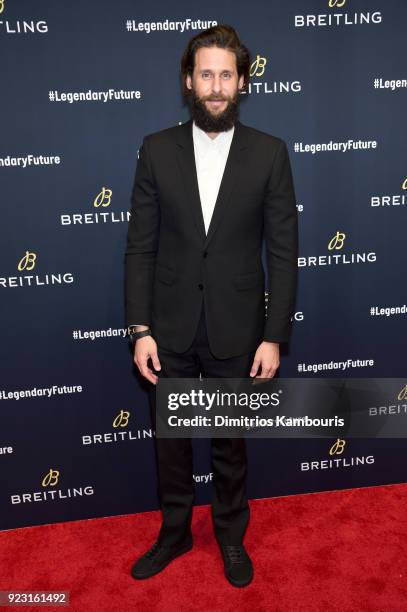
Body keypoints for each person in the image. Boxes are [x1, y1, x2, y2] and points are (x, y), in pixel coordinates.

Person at [125, 24, 298, 588]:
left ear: (242, 82)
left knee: (229, 444)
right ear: (188, 82)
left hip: (236, 328)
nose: (217, 86)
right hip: (169, 327)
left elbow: (284, 252)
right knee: (171, 445)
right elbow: (141, 246)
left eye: (227, 75)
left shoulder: (270, 154)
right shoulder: (155, 150)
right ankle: (174, 532)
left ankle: (230, 535)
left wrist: (273, 336)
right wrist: (141, 328)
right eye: (206, 75)